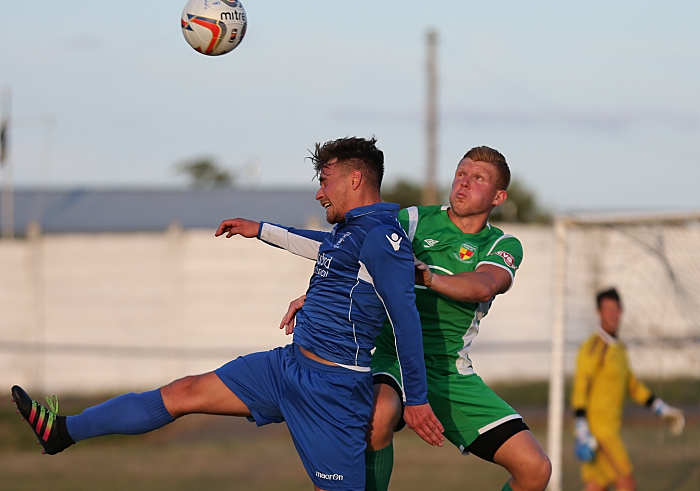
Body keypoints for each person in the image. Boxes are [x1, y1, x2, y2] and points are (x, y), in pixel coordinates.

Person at [11, 136, 444, 491]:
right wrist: (259, 229)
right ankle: (62, 432)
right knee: (184, 392)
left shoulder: (381, 237)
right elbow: (316, 245)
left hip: (331, 390)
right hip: (286, 366)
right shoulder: (349, 233)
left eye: (325, 180)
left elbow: (404, 318)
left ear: (355, 178)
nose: (319, 191)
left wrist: (418, 399)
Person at [281, 146, 552, 491]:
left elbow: (485, 285)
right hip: (390, 356)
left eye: (478, 179)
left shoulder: (502, 243)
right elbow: (350, 254)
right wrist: (316, 298)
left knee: (535, 468)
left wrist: (430, 278)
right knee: (378, 418)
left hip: (448, 371)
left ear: (499, 196)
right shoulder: (412, 220)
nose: (464, 184)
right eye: (460, 174)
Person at [571, 288, 685, 491]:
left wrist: (662, 410)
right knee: (627, 482)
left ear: (621, 311)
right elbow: (580, 390)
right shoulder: (593, 348)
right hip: (599, 434)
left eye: (616, 309)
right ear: (599, 313)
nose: (612, 315)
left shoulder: (619, 347)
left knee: (596, 486)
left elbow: (632, 385)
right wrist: (582, 429)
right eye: (607, 310)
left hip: (610, 429)